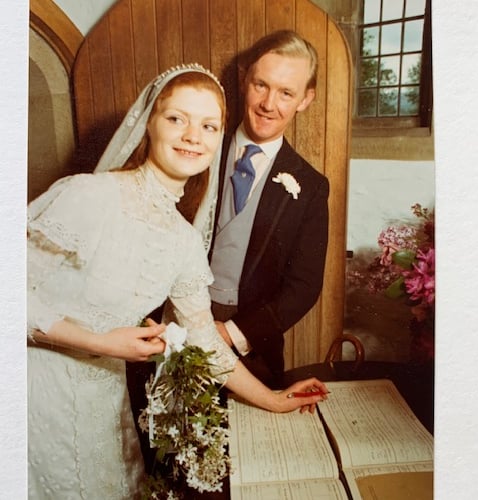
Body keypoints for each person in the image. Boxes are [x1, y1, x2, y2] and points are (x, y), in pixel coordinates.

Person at [27, 63, 328, 500]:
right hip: (36, 400)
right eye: (177, 119)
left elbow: (204, 340)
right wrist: (106, 343)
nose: (193, 136)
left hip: (103, 414)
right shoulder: (88, 195)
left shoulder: (183, 240)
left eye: (209, 126)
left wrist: (274, 399)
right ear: (149, 123)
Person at [209, 30, 330, 388]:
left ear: (305, 99)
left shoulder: (310, 186)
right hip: (176, 324)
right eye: (261, 85)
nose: (268, 104)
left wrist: (232, 333)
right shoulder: (199, 149)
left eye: (286, 93)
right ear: (244, 78)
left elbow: (304, 286)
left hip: (252, 346)